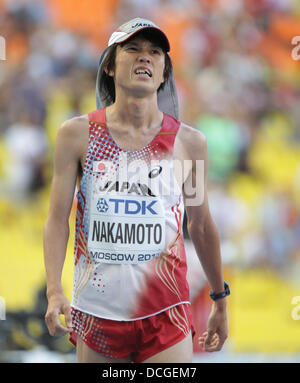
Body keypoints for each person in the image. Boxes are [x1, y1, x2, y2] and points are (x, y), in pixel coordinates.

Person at [43, 17, 229, 363]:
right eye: (133, 49)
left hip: (165, 314)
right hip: (97, 311)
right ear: (110, 66)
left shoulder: (189, 142)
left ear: (163, 74)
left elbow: (201, 225)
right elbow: (56, 220)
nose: (145, 57)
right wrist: (54, 291)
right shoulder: (77, 135)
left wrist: (220, 298)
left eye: (155, 52)